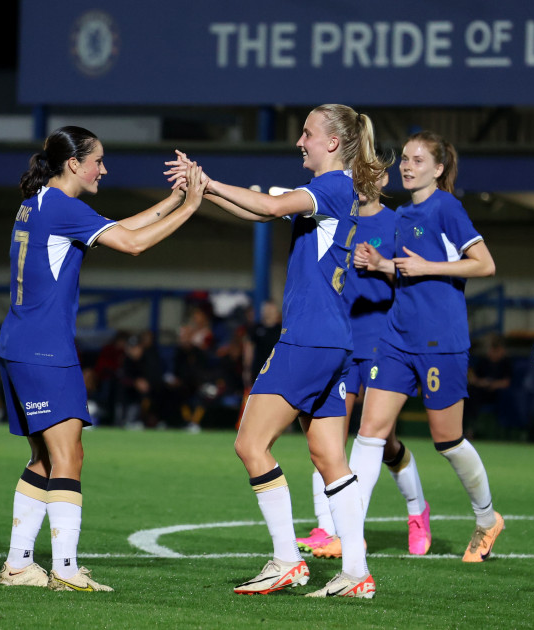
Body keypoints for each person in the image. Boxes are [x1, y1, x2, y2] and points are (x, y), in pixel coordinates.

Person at [166, 104, 388, 598]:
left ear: (332, 143)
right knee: (330, 457)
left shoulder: (331, 186)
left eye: (307, 134)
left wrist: (208, 180)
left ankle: (287, 560)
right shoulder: (340, 191)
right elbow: (261, 213)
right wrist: (206, 190)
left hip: (307, 339)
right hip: (334, 342)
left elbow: (268, 208)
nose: (299, 142)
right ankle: (356, 572)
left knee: (250, 444)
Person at [0, 126, 206, 592]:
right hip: (45, 351)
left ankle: (18, 565)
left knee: (45, 459)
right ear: (74, 164)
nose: (103, 169)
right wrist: (191, 206)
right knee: (69, 455)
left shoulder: (38, 204)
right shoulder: (64, 207)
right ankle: (67, 571)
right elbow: (133, 244)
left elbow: (121, 229)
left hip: (17, 345)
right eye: (98, 161)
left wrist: (173, 199)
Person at [348, 130, 503, 564]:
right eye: (406, 160)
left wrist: (424, 266)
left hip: (441, 342)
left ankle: (487, 518)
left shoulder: (447, 208)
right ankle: (349, 529)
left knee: (447, 440)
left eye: (418, 160)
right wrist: (381, 265)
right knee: (370, 431)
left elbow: (485, 264)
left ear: (438, 169)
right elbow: (406, 274)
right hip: (396, 338)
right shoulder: (400, 217)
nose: (407, 166)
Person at [296, 167, 432, 559]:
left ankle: (416, 511)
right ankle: (327, 529)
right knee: (330, 438)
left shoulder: (398, 224)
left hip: (383, 343)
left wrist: (380, 265)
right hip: (339, 342)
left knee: (381, 441)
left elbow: (419, 284)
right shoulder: (340, 218)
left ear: (382, 178)